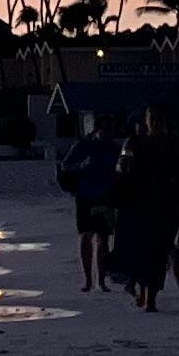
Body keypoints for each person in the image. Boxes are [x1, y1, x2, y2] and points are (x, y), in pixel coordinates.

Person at [107, 107, 179, 312]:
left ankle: (151, 297)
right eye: (152, 118)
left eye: (159, 119)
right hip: (137, 205)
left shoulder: (172, 145)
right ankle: (141, 289)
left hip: (164, 204)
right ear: (146, 121)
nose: (156, 123)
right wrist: (123, 165)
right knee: (138, 251)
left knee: (158, 252)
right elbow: (121, 165)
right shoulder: (134, 142)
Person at [54, 112, 123, 292]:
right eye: (105, 130)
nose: (108, 134)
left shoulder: (114, 148)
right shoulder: (83, 146)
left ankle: (100, 280)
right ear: (97, 130)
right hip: (85, 196)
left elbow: (121, 172)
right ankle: (88, 280)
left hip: (105, 197)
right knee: (86, 236)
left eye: (111, 130)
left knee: (103, 239)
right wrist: (83, 166)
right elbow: (65, 166)